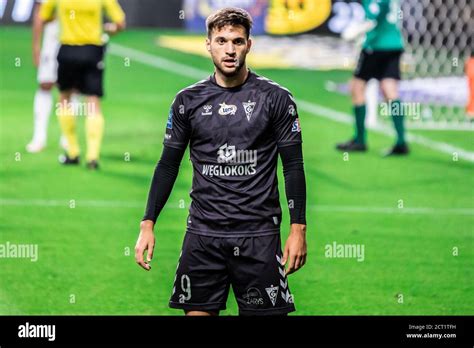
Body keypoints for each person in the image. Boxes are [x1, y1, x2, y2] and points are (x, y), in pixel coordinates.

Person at [135, 8, 308, 316]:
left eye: (238, 41)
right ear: (208, 44)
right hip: (203, 234)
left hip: (258, 236)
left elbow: (293, 166)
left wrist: (298, 230)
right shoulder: (188, 101)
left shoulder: (277, 99)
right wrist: (147, 224)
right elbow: (167, 165)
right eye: (222, 40)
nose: (230, 50)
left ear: (249, 45)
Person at [37, 0, 126, 169]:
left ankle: (72, 152)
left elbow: (43, 17)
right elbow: (120, 23)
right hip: (92, 50)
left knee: (64, 97)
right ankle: (92, 157)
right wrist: (108, 30)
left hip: (67, 50)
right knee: (92, 101)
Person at [336, 0, 408, 156]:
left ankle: (360, 140)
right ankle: (401, 142)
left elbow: (376, 15)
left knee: (357, 87)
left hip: (375, 46)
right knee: (389, 89)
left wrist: (360, 30)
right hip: (394, 43)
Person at [27, 0, 65, 153]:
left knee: (71, 88)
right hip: (51, 42)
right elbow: (39, 15)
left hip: (75, 41)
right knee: (45, 84)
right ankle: (39, 137)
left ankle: (67, 137)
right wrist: (36, 46)